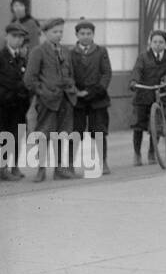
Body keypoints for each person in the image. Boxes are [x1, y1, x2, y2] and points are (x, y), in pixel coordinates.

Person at [23, 18, 78, 181]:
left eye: (61, 31)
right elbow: (29, 79)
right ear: (45, 33)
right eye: (55, 32)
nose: (58, 35)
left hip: (66, 99)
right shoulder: (38, 51)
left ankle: (60, 169)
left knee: (64, 135)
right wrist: (43, 92)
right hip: (47, 101)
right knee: (43, 134)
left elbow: (70, 73)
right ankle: (41, 169)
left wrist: (72, 88)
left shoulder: (65, 51)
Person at [69, 20, 112, 175]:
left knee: (99, 131)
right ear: (76, 35)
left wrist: (95, 91)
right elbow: (68, 74)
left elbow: (106, 73)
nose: (85, 37)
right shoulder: (71, 53)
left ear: (93, 35)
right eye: (82, 34)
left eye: (89, 34)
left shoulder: (101, 51)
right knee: (75, 132)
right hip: (78, 99)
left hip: (97, 98)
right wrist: (75, 91)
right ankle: (70, 164)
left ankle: (103, 162)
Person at [128, 30, 166, 166]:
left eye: (161, 42)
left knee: (157, 126)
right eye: (155, 42)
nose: (157, 45)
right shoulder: (143, 57)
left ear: (165, 44)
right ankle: (137, 154)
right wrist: (134, 82)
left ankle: (152, 152)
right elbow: (137, 70)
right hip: (143, 94)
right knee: (138, 125)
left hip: (159, 95)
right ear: (150, 43)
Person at [0, 23, 29, 179]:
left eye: (20, 37)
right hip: (5, 104)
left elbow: (27, 80)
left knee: (18, 135)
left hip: (20, 104)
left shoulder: (21, 58)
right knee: (5, 136)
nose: (17, 40)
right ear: (7, 37)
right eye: (14, 36)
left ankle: (15, 166)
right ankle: (3, 168)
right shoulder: (2, 56)